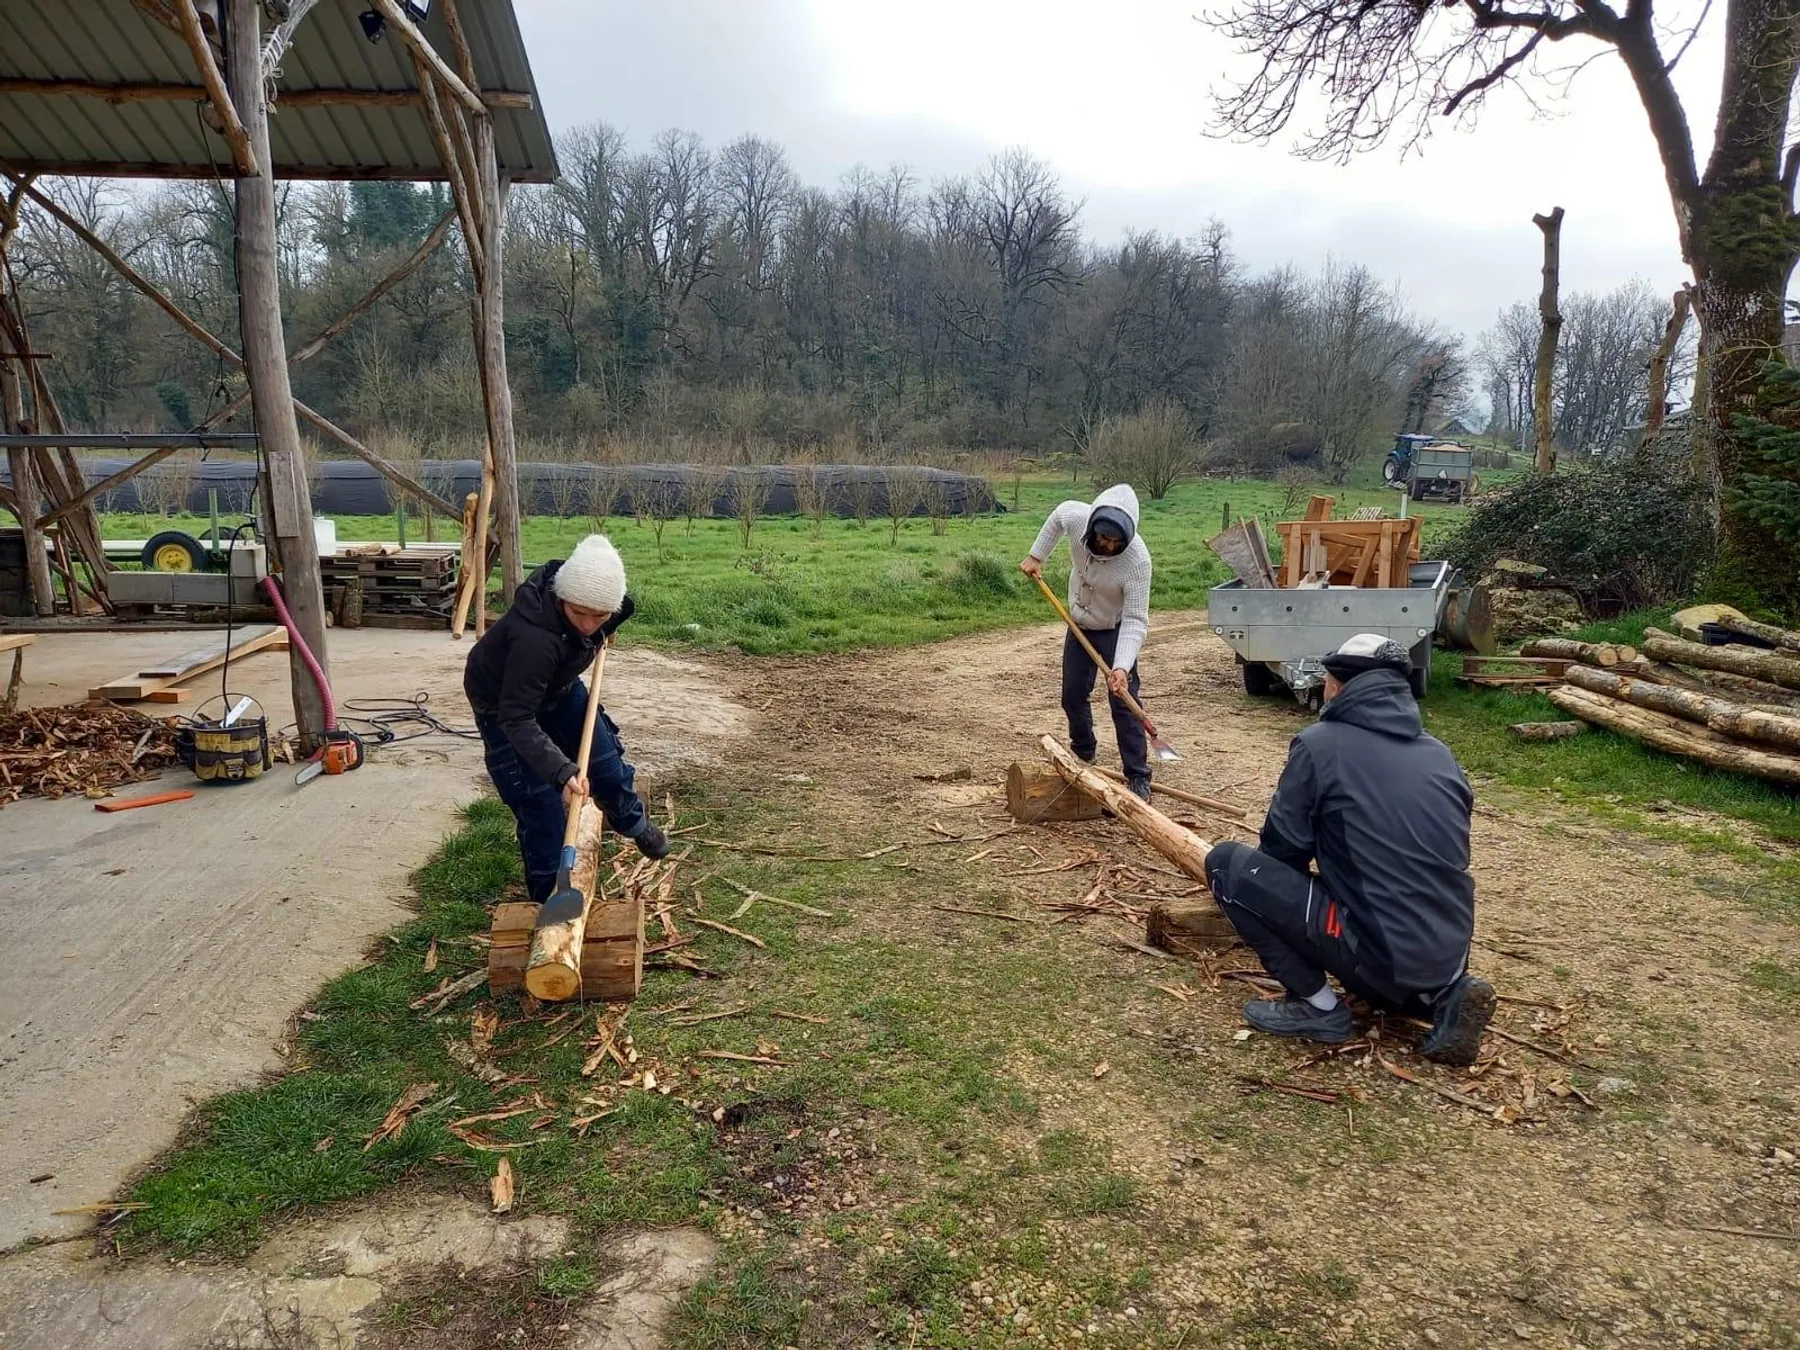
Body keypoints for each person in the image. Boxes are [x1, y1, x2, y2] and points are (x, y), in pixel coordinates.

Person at [1203, 634, 1493, 1065]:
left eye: (1326, 680)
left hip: (1380, 955)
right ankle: (1442, 997)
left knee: (1229, 866)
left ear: (1339, 686)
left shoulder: (1319, 745)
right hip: (1447, 952)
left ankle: (1317, 1006)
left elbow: (1282, 852)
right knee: (1392, 890)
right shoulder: (1439, 754)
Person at [464, 534, 669, 905]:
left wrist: (606, 628)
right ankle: (550, 903)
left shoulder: (593, 615)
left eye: (600, 616)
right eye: (580, 613)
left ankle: (633, 823)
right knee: (540, 806)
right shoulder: (533, 639)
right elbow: (517, 717)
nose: (589, 625)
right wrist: (561, 771)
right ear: (560, 599)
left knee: (605, 763)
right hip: (504, 708)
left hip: (556, 688)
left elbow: (594, 622)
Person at [1019, 484, 1155, 800]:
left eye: (1115, 541)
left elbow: (1136, 620)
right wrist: (1036, 555)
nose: (1107, 546)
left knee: (1123, 702)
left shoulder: (1137, 562)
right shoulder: (1078, 517)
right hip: (1079, 625)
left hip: (1115, 630)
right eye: (1103, 538)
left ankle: (1137, 776)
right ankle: (1084, 753)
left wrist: (1121, 667)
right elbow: (1057, 516)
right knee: (1072, 695)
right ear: (1093, 528)